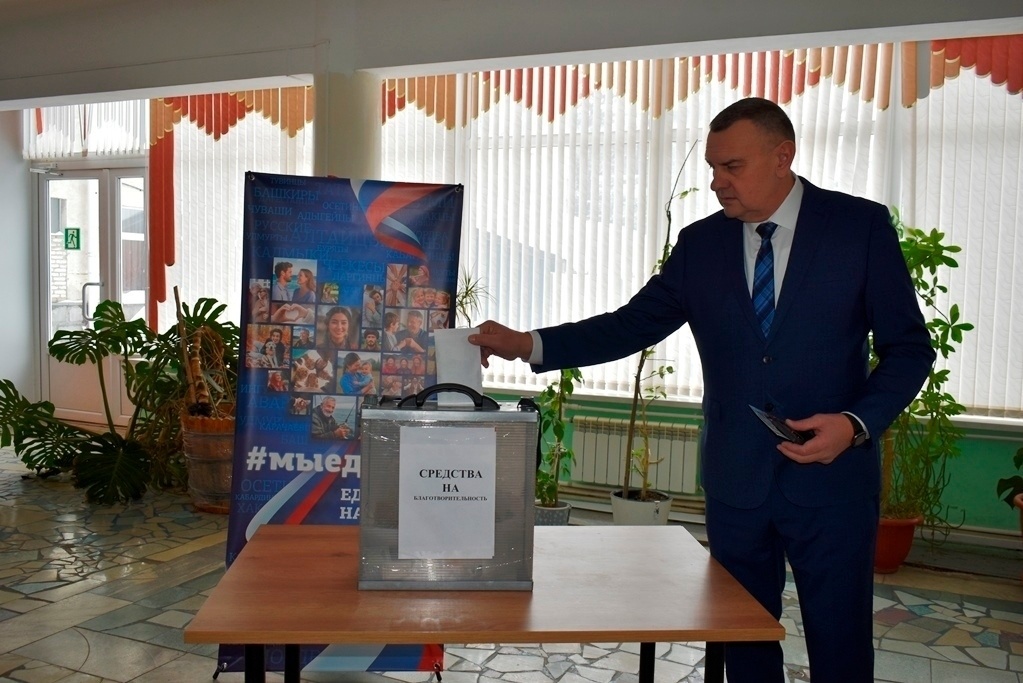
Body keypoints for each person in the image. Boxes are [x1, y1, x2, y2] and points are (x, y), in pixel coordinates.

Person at [468, 97, 935, 683]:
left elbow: (909, 349)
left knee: (840, 645)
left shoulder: (858, 228)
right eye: (713, 167)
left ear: (783, 156)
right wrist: (528, 344)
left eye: (732, 166)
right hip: (737, 481)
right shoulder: (701, 245)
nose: (717, 182)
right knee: (741, 643)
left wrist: (855, 424)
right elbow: (629, 326)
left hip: (834, 483)